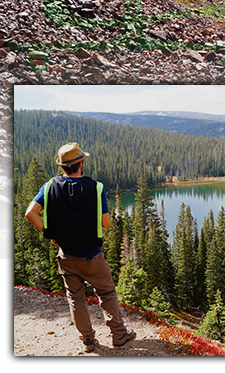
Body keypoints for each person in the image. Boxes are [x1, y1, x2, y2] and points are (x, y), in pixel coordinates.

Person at [25, 143, 135, 353]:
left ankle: (88, 340)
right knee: (107, 293)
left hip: (66, 256)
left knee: (75, 298)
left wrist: (51, 234)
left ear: (62, 167)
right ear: (81, 164)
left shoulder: (49, 187)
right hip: (92, 255)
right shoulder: (96, 187)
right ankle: (119, 335)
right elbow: (105, 223)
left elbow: (30, 213)